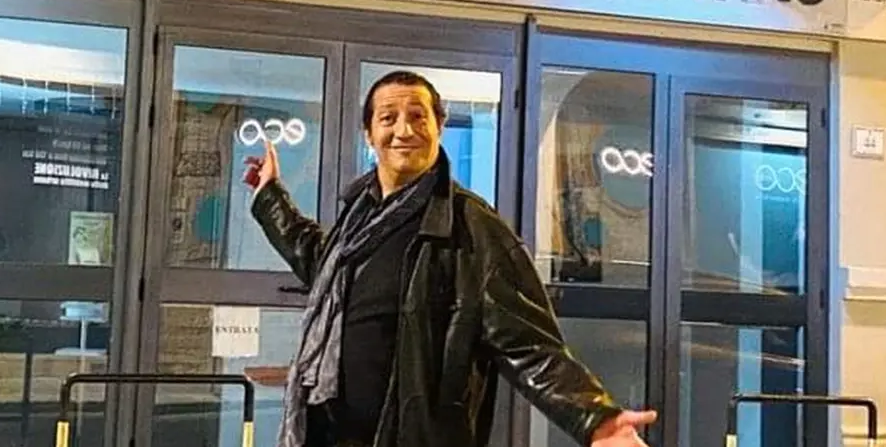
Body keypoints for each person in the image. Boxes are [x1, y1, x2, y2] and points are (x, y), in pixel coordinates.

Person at [242, 70, 656, 447]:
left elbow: (530, 345)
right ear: (369, 134)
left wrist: (595, 420)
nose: (404, 130)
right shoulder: (359, 215)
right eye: (388, 118)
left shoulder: (473, 228)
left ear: (439, 126)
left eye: (418, 117)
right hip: (326, 434)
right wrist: (269, 196)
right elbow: (320, 263)